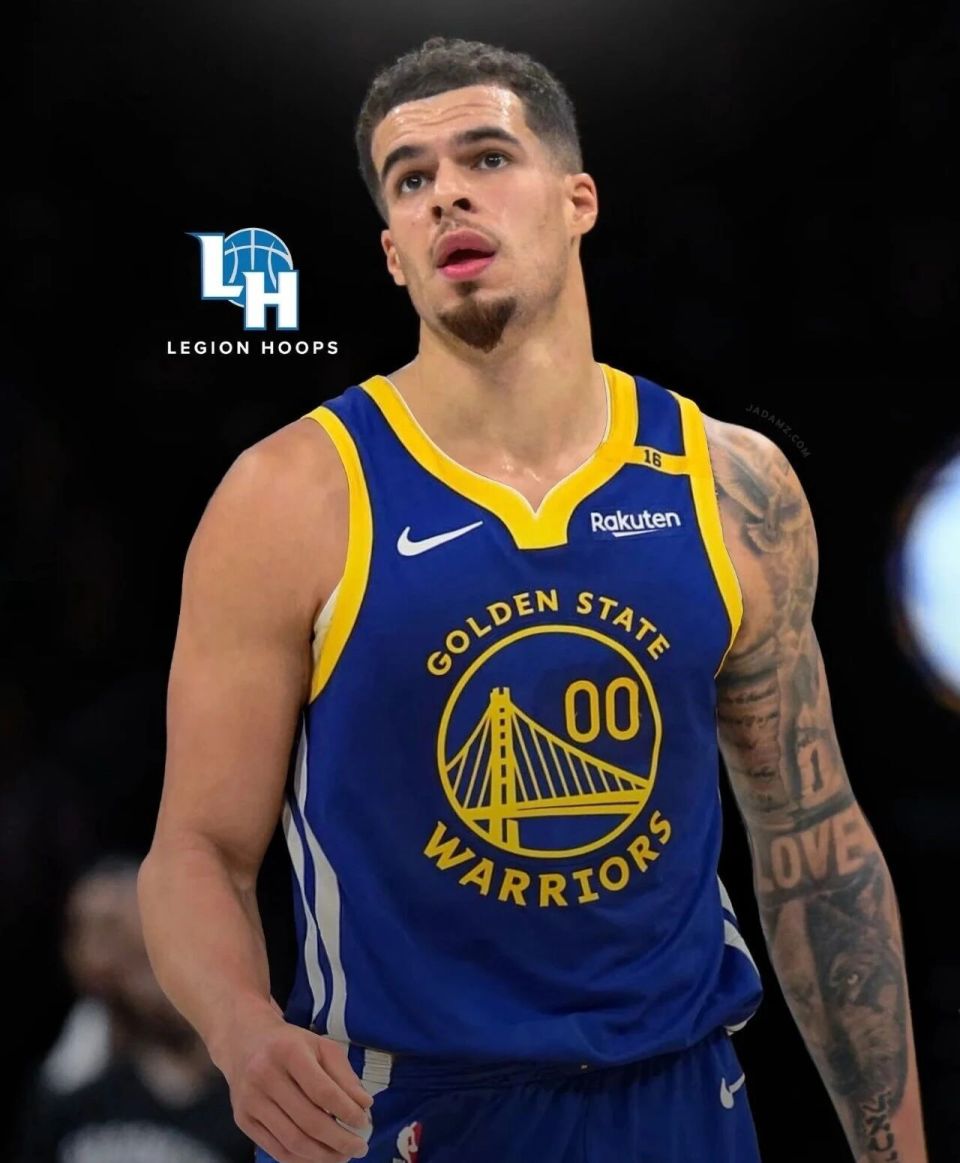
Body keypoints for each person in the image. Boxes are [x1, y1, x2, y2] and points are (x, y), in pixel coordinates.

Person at [137, 35, 928, 1163]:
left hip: (678, 1101)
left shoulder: (728, 482)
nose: (447, 193)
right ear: (394, 253)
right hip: (402, 1112)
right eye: (411, 179)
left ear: (577, 200)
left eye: (488, 157)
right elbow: (197, 851)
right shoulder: (289, 496)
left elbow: (816, 847)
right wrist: (242, 1027)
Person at [18, 856, 252, 1163]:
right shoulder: (68, 1071)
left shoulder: (228, 1051)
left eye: (111, 927)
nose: (100, 948)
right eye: (84, 930)